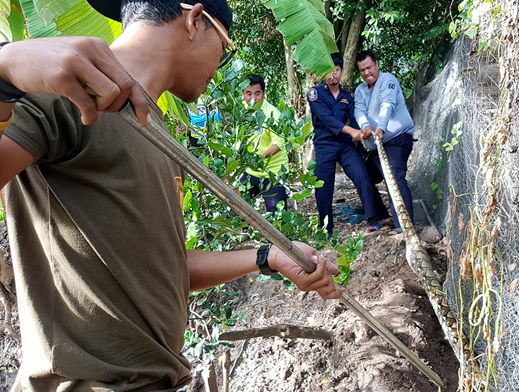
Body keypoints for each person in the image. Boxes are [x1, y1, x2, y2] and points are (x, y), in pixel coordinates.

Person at [0, 0, 343, 390]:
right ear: (196, 21)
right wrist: (5, 71)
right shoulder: (62, 91)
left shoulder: (159, 134)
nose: (220, 65)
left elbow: (162, 265)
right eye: (225, 46)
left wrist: (268, 257)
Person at [307, 53, 389, 236]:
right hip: (325, 145)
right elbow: (327, 119)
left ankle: (372, 219)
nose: (333, 74)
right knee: (323, 185)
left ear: (342, 71)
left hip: (345, 146)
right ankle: (325, 228)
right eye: (328, 70)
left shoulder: (348, 96)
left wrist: (366, 130)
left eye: (336, 70)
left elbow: (356, 118)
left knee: (361, 175)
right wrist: (353, 132)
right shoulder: (315, 93)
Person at [354, 50, 415, 232]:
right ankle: (381, 216)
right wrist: (365, 127)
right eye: (362, 70)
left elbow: (387, 106)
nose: (366, 73)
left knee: (394, 177)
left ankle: (404, 226)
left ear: (377, 65)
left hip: (396, 139)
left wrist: (381, 127)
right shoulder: (360, 90)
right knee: (362, 175)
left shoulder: (388, 80)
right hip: (375, 147)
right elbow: (359, 111)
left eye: (369, 67)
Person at [240, 74, 289, 212]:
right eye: (248, 93)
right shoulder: (241, 112)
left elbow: (278, 144)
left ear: (263, 93)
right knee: (240, 210)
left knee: (277, 217)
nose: (253, 98)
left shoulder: (272, 114)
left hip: (273, 173)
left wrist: (257, 160)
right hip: (251, 171)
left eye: (257, 93)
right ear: (243, 94)